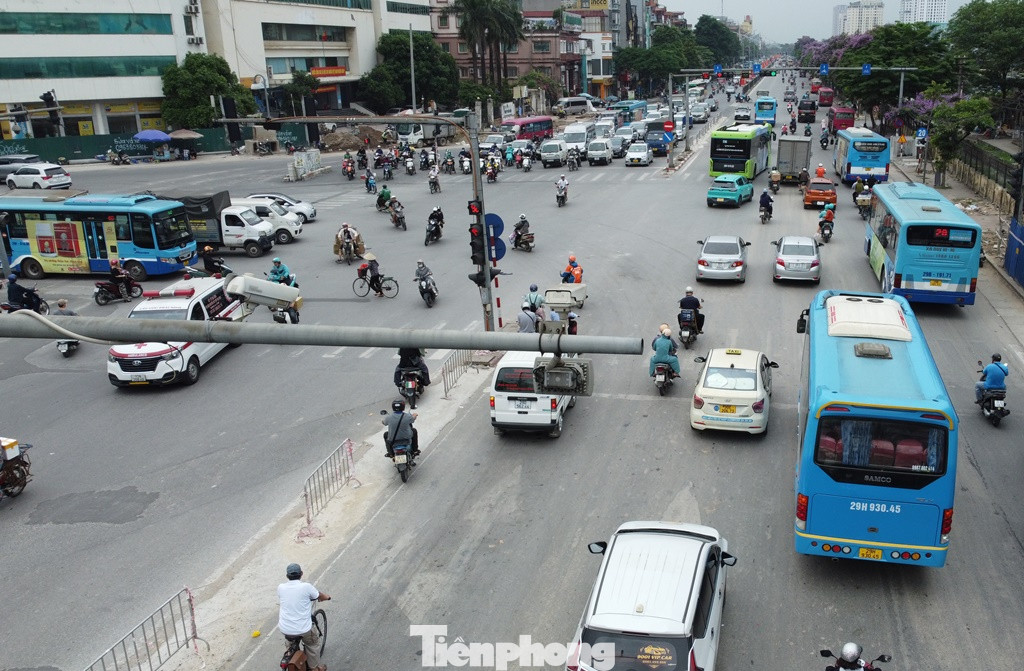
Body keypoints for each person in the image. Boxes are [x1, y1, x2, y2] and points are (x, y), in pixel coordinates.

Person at [277, 563, 330, 671]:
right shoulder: (306, 587)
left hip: (285, 629)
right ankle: (314, 668)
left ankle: (290, 653)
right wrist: (327, 597)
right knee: (313, 644)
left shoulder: (281, 587)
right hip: (303, 628)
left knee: (290, 642)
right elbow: (319, 595)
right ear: (301, 574)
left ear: (287, 576)